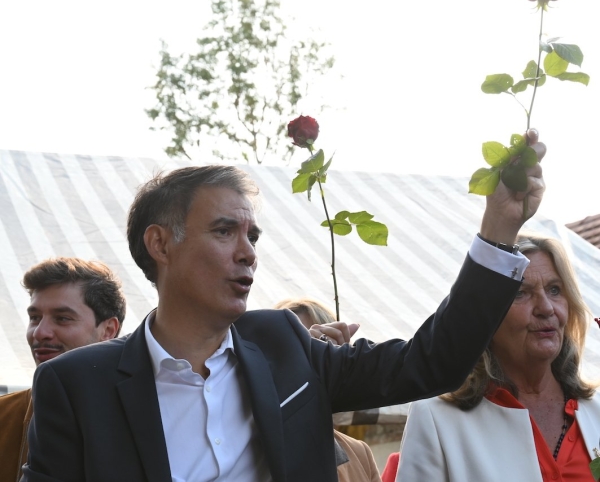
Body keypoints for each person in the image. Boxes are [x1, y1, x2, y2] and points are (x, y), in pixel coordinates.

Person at [24, 129, 546, 482]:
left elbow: (430, 362)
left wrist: (498, 231)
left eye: (253, 234)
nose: (248, 251)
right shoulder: (75, 385)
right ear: (161, 244)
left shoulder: (284, 345)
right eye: (225, 231)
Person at [395, 233, 600, 482]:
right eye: (521, 293)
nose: (546, 308)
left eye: (555, 290)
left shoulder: (596, 410)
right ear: (485, 315)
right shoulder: (437, 419)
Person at [0, 257, 126, 482]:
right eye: (34, 318)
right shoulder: (4, 414)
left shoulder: (147, 414)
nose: (40, 332)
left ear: (108, 330)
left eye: (62, 319)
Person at [274, 297, 382, 482]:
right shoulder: (248, 444)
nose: (309, 362)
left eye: (323, 349)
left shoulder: (359, 454)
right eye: (297, 348)